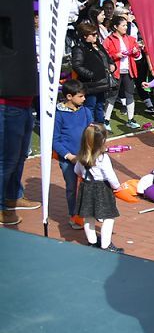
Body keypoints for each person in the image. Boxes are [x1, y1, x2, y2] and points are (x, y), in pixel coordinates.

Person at [73, 123, 125, 254]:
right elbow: (110, 175)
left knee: (88, 216)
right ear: (102, 140)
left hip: (86, 187)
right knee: (108, 217)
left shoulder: (81, 155)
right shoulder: (102, 158)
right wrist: (117, 187)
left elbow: (76, 170)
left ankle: (91, 241)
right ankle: (106, 245)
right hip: (102, 188)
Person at [53, 80, 91, 229]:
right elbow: (54, 140)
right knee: (72, 188)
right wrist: (69, 156)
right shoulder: (58, 115)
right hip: (68, 160)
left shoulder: (86, 111)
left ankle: (89, 213)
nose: (84, 99)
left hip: (86, 157)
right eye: (81, 96)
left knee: (89, 186)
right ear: (69, 96)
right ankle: (74, 215)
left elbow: (91, 132)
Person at [103, 14, 144, 129]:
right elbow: (104, 55)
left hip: (128, 71)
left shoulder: (131, 39)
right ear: (116, 27)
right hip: (115, 72)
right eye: (123, 25)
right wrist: (115, 56)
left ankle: (131, 119)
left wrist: (136, 51)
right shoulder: (108, 40)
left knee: (130, 95)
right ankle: (106, 120)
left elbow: (137, 55)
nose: (126, 27)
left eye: (126, 25)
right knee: (112, 96)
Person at [70, 22, 115, 124]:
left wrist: (112, 65)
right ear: (85, 36)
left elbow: (107, 58)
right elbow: (77, 66)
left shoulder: (98, 46)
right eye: (93, 34)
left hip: (102, 82)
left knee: (100, 105)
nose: (96, 36)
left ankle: (100, 127)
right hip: (90, 84)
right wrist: (91, 75)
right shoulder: (79, 49)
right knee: (90, 106)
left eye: (96, 34)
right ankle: (89, 127)